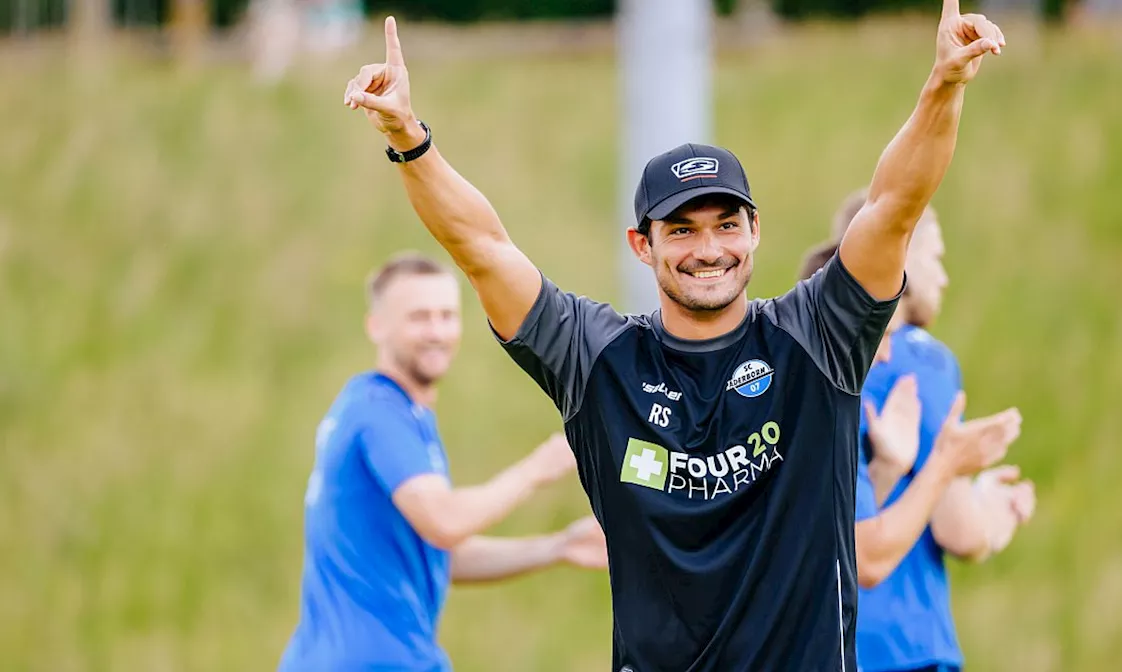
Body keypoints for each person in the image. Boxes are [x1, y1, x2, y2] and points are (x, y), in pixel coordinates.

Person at [341, 2, 1007, 668]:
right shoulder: (597, 358)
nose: (708, 248)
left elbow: (894, 206)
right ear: (642, 245)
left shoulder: (817, 339)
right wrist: (408, 137)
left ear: (754, 232)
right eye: (682, 230)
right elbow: (481, 245)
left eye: (725, 224)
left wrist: (944, 83)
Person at [278, 252, 608, 672]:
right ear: (376, 326)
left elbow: (438, 552)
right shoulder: (380, 411)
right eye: (419, 317)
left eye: (446, 316)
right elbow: (445, 521)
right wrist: (538, 467)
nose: (436, 331)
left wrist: (559, 546)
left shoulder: (398, 413)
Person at [823, 194, 1037, 672]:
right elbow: (958, 530)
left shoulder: (817, 358)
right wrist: (996, 519)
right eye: (936, 257)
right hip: (907, 649)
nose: (944, 276)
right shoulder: (921, 360)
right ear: (904, 255)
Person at [796, 242, 1020, 591]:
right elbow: (868, 561)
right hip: (894, 644)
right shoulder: (821, 412)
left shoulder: (818, 399)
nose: (887, 355)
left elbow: (826, 543)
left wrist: (888, 468)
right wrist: (949, 466)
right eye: (882, 335)